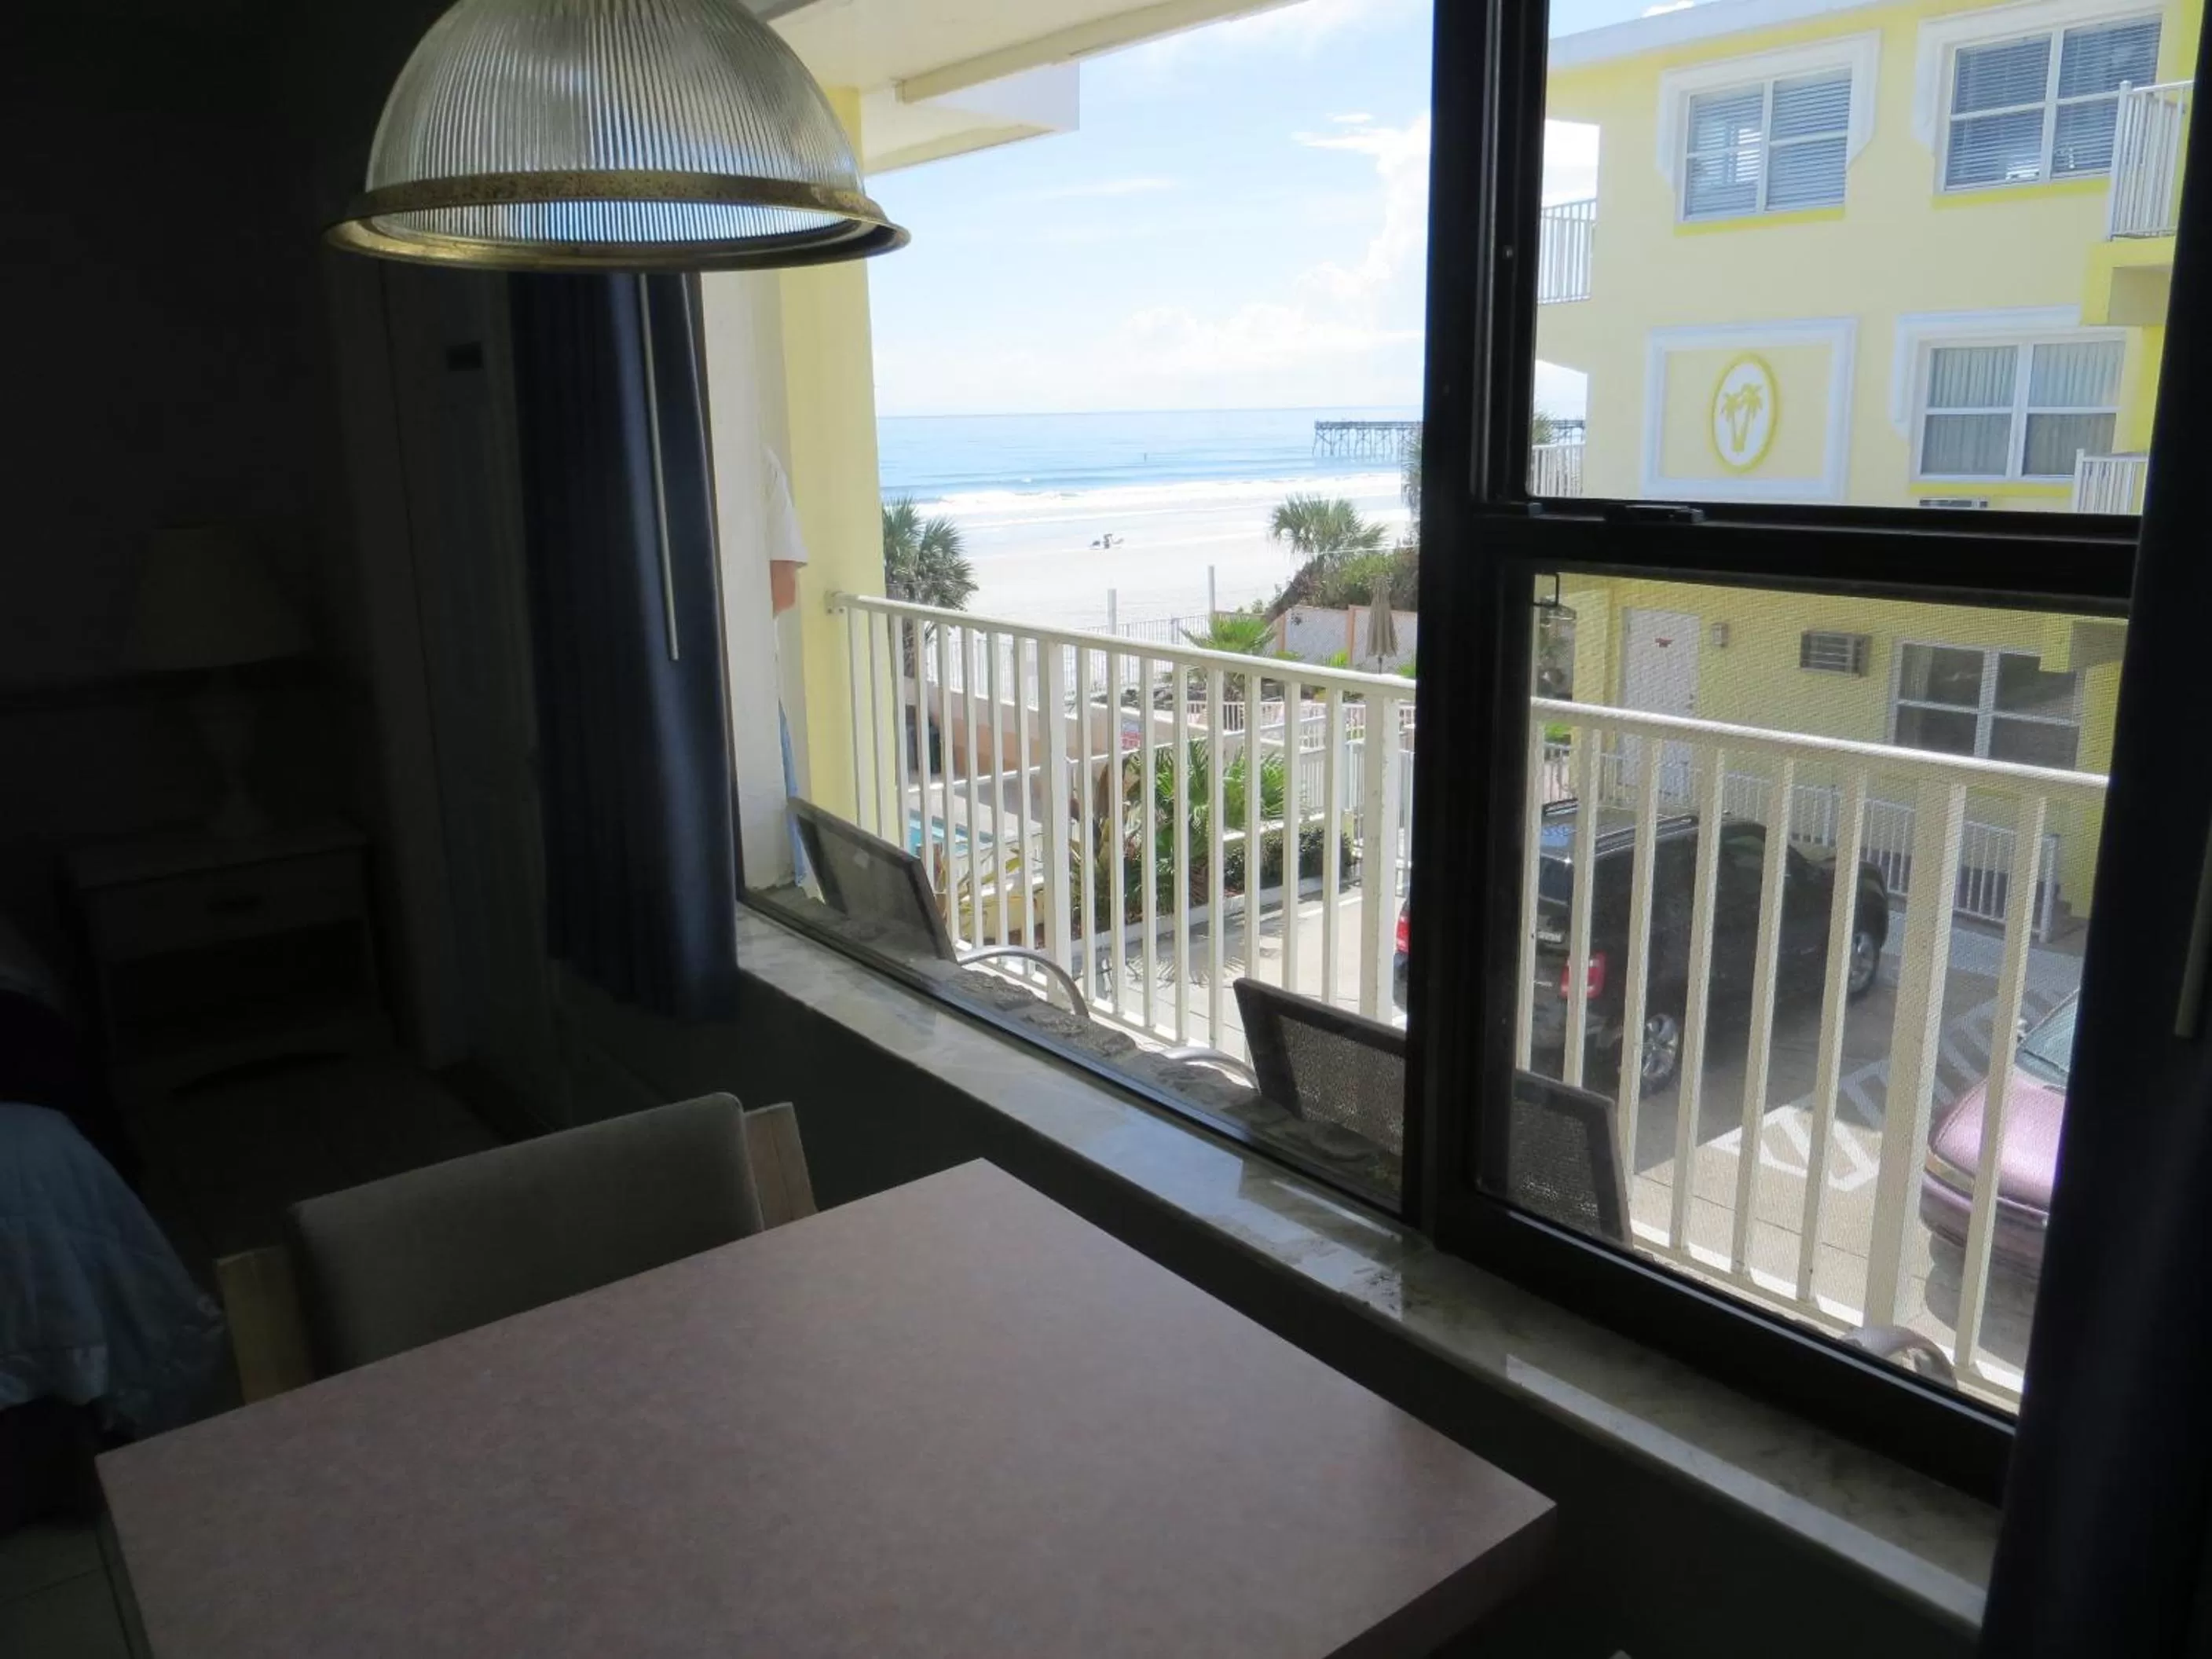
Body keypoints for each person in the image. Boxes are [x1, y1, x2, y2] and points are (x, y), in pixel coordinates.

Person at [763, 447, 810, 882]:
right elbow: (783, 590)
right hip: (749, 686)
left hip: (747, 682)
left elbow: (782, 591)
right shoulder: (755, 460)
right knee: (775, 860)